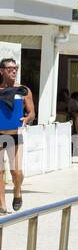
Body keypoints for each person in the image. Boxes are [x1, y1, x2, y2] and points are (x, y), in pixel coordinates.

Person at [0, 57, 34, 213]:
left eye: (15, 68)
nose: (13, 71)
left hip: (15, 136)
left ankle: (17, 191)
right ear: (2, 71)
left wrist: (27, 118)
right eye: (10, 68)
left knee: (16, 172)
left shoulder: (24, 90)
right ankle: (2, 204)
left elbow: (32, 112)